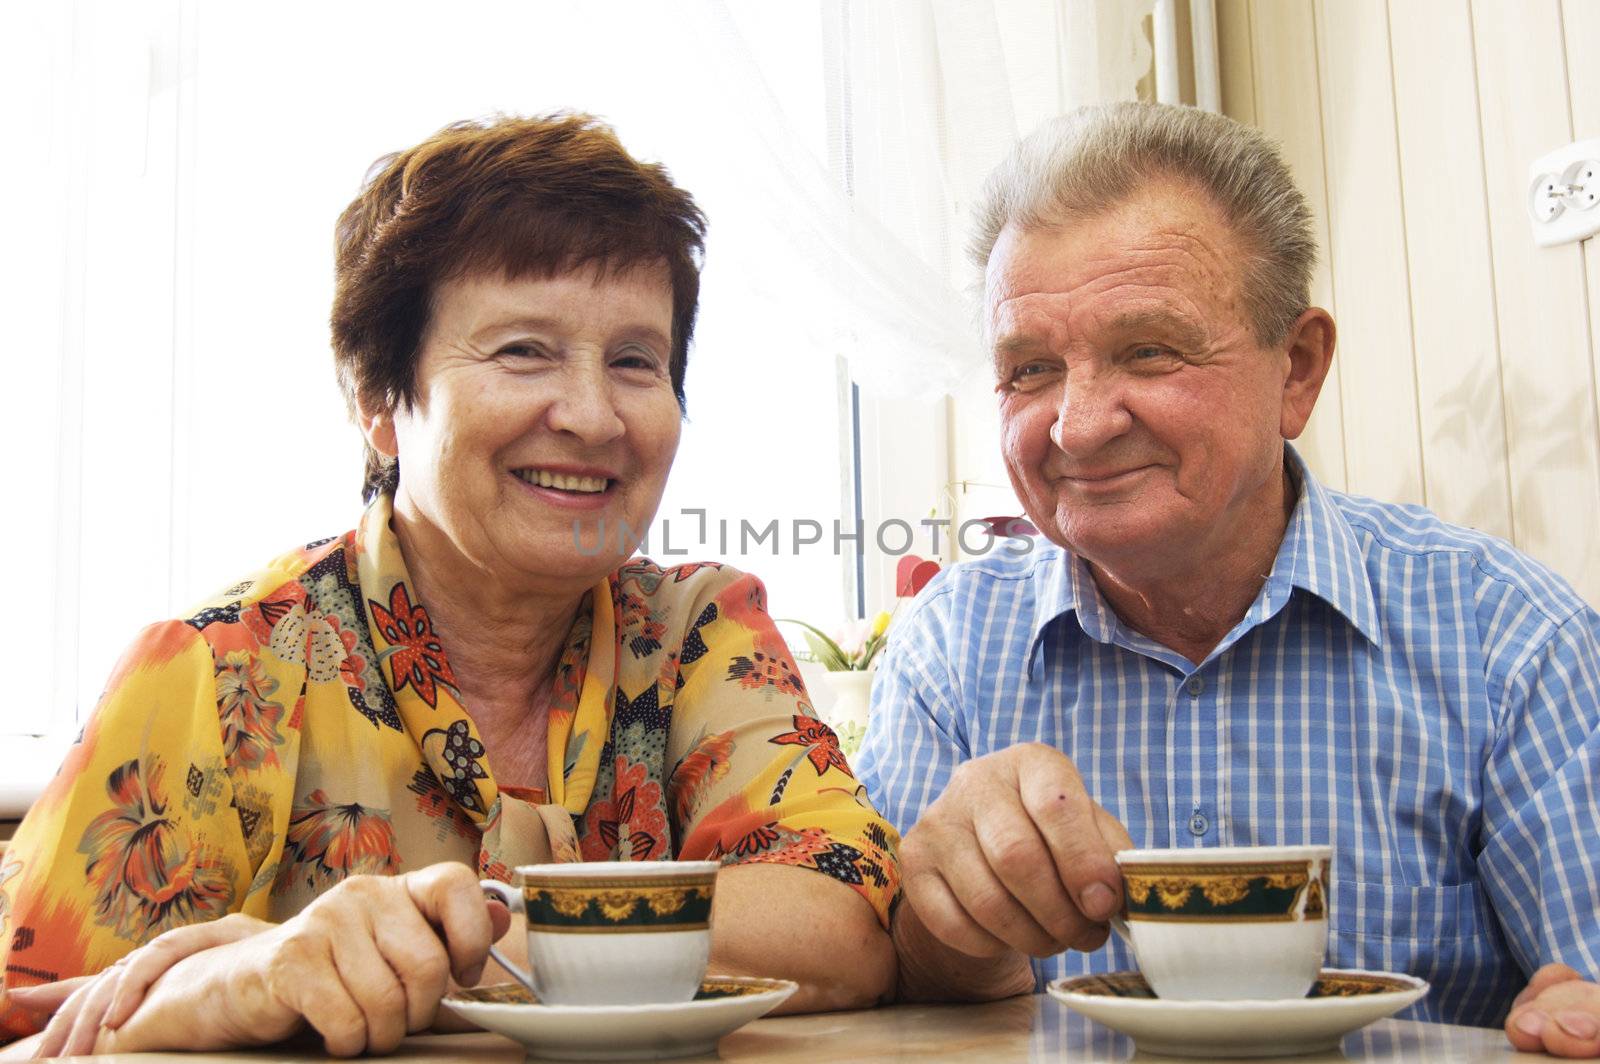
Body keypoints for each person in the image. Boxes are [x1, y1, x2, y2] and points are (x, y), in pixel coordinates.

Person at [0, 113, 898, 1058]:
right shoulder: (216, 671)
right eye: (523, 351)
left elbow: (840, 917)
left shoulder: (696, 631)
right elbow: (29, 1031)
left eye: (636, 361)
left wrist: (431, 953)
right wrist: (240, 981)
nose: (594, 417)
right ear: (380, 402)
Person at [855, 102, 1600, 1058]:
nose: (1077, 425)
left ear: (1297, 368)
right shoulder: (949, 652)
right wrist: (951, 931)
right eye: (1030, 370)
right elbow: (898, 989)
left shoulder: (1507, 637)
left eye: (1149, 351)